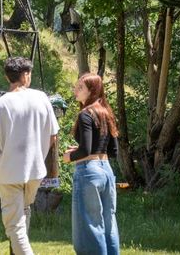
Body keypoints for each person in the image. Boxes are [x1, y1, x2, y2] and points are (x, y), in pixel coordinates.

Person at [0, 57, 59, 255]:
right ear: (26, 75)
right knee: (23, 210)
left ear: (8, 77)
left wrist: (2, 160)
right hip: (35, 171)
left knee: (14, 227)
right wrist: (38, 155)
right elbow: (53, 136)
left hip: (10, 172)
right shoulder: (42, 98)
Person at [63, 73, 120, 255]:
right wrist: (81, 149)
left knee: (90, 225)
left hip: (89, 173)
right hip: (106, 171)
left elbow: (85, 151)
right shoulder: (106, 113)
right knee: (109, 222)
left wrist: (70, 156)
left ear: (92, 91)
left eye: (80, 87)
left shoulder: (85, 114)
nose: (75, 90)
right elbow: (113, 151)